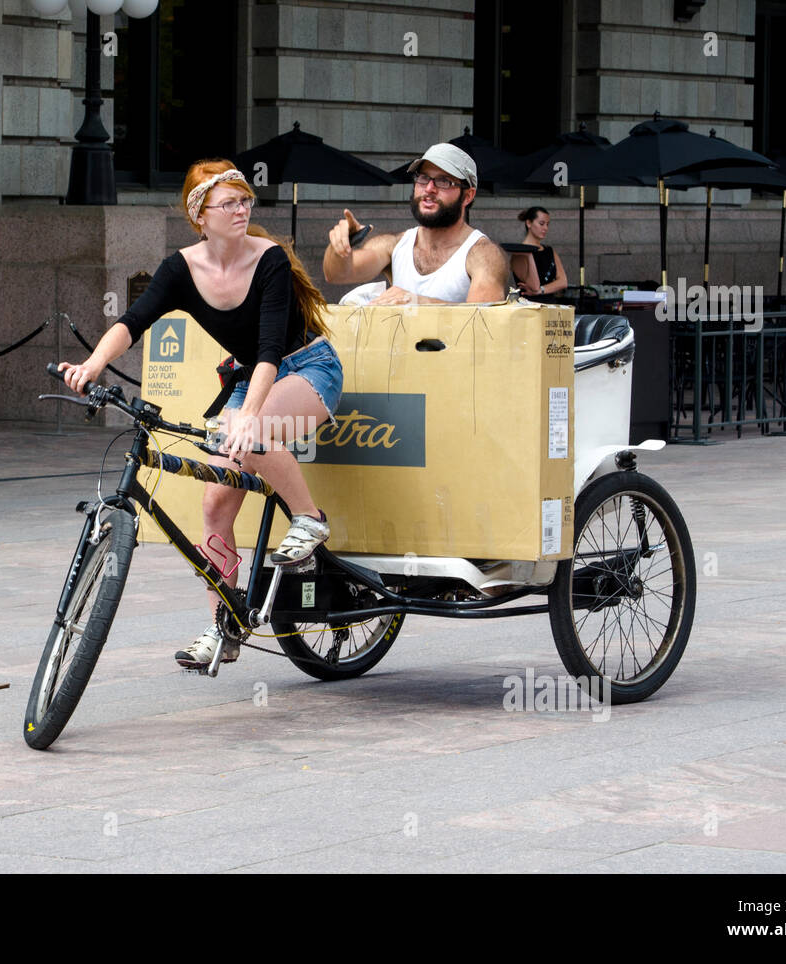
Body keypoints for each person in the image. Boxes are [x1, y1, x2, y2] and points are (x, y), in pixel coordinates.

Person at [60, 159, 343, 671]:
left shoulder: (270, 260)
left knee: (254, 432)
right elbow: (133, 321)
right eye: (229, 203)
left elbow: (271, 351)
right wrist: (92, 365)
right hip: (247, 375)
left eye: (245, 201)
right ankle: (223, 627)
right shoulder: (181, 269)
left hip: (306, 367)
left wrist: (248, 417)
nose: (241, 210)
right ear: (200, 215)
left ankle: (310, 518)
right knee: (214, 504)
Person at [323, 142, 508, 304]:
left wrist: (419, 303)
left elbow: (482, 321)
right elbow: (337, 274)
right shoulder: (394, 245)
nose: (429, 189)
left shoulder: (483, 254)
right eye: (423, 178)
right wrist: (340, 247)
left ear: (468, 195)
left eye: (443, 181)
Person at [511, 206, 568, 297]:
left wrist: (541, 290)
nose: (545, 228)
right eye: (541, 224)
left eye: (547, 224)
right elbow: (534, 286)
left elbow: (563, 281)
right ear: (529, 223)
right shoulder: (520, 252)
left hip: (550, 305)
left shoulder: (549, 250)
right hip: (530, 305)